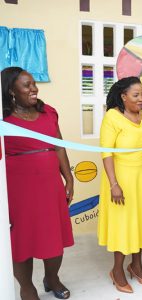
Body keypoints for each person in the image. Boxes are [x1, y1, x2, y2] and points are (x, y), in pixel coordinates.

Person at [1, 67, 74, 300]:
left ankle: (52, 279)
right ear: (11, 90)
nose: (34, 89)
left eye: (34, 84)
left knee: (53, 236)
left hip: (50, 187)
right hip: (17, 191)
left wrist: (69, 178)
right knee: (22, 239)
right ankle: (26, 287)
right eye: (27, 85)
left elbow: (58, 146)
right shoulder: (4, 118)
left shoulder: (48, 112)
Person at [98, 77, 142, 294]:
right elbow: (106, 153)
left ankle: (136, 266)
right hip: (120, 178)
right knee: (123, 226)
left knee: (139, 223)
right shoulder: (112, 117)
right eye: (136, 95)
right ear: (123, 97)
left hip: (141, 177)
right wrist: (114, 184)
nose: (141, 99)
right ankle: (117, 270)